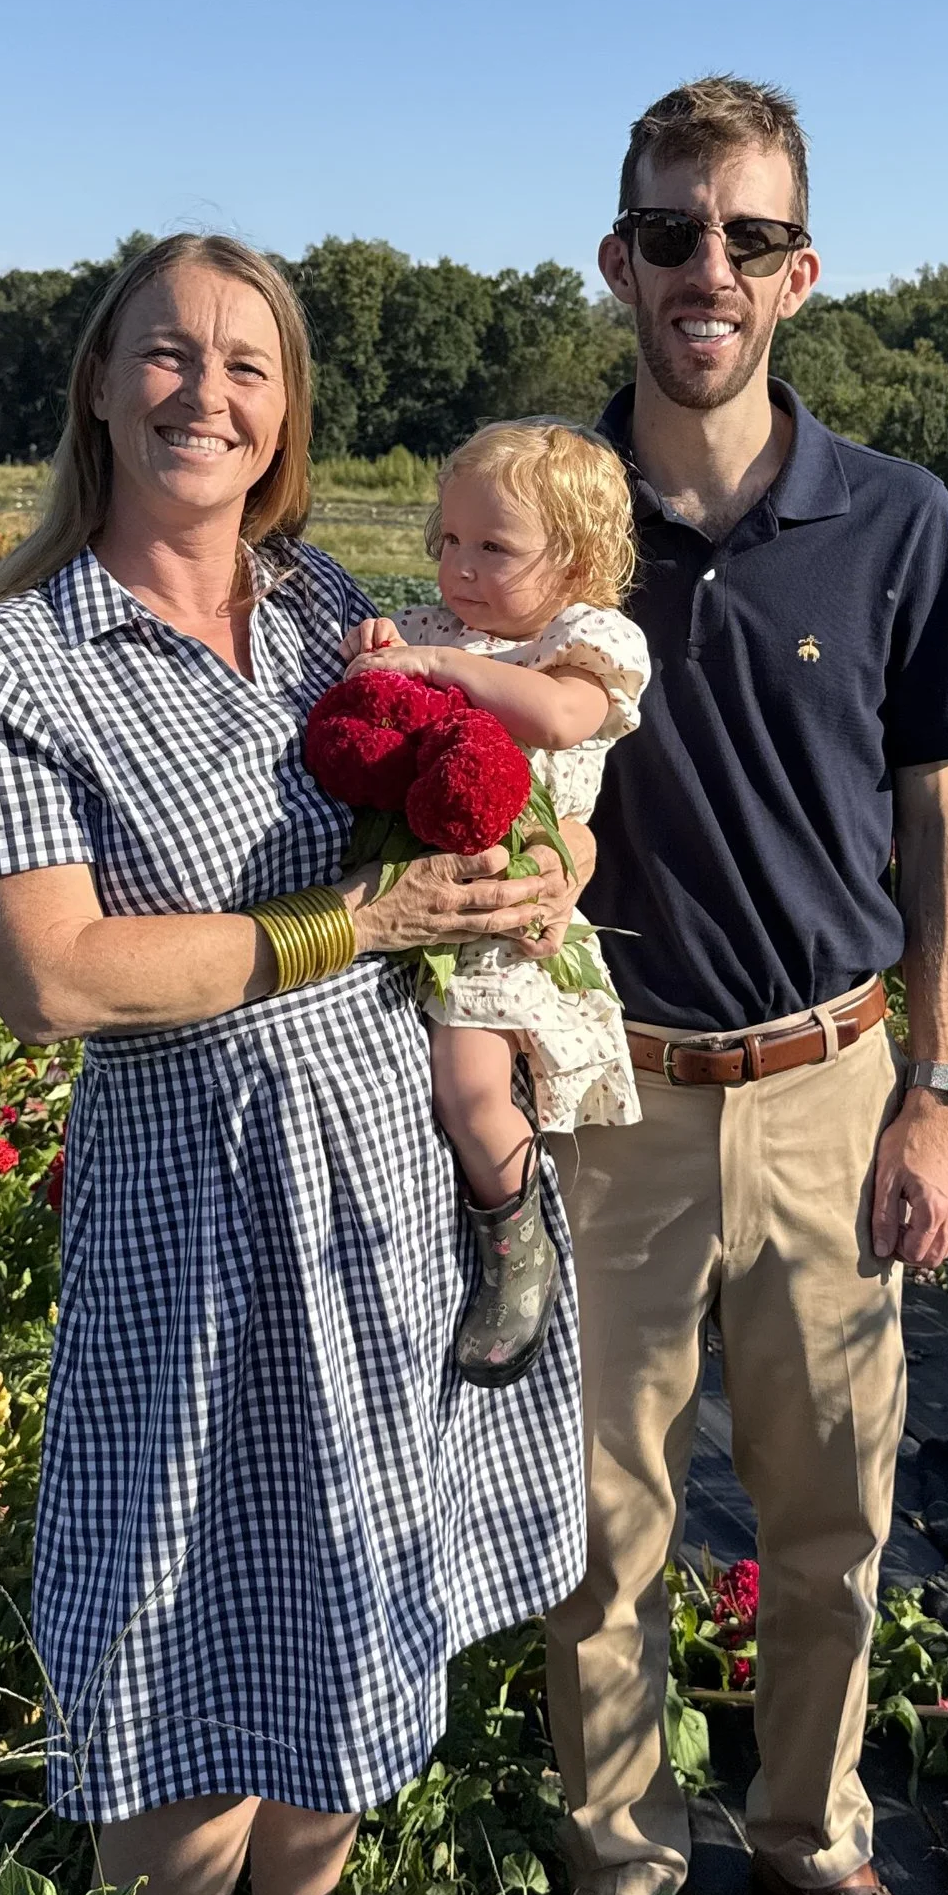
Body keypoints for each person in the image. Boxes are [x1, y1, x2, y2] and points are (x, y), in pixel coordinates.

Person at [0, 232, 586, 1895]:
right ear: (101, 385)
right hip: (198, 1208)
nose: (207, 392)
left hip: (388, 1189)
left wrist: (542, 870)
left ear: (285, 411)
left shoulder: (325, 608)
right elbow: (49, 976)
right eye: (170, 354)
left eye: (250, 364)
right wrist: (353, 922)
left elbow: (483, 795)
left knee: (354, 1582)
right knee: (182, 1602)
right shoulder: (14, 665)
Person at [546, 76, 948, 1895]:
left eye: (744, 235)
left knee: (831, 1506)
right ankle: (614, 1862)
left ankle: (812, 1840)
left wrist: (939, 1085)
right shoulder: (546, 513)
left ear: (800, 273)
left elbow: (941, 811)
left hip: (829, 1082)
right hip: (608, 1087)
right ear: (617, 261)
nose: (704, 267)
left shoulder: (891, 517)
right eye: (671, 230)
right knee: (599, 1516)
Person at [342, 419, 650, 1382]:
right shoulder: (441, 631)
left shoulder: (586, 643)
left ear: (578, 559)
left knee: (473, 1092)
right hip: (429, 903)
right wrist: (383, 654)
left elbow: (558, 717)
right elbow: (394, 700)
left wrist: (441, 669)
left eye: (494, 548)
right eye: (449, 542)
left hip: (511, 918)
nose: (462, 568)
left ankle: (521, 1251)